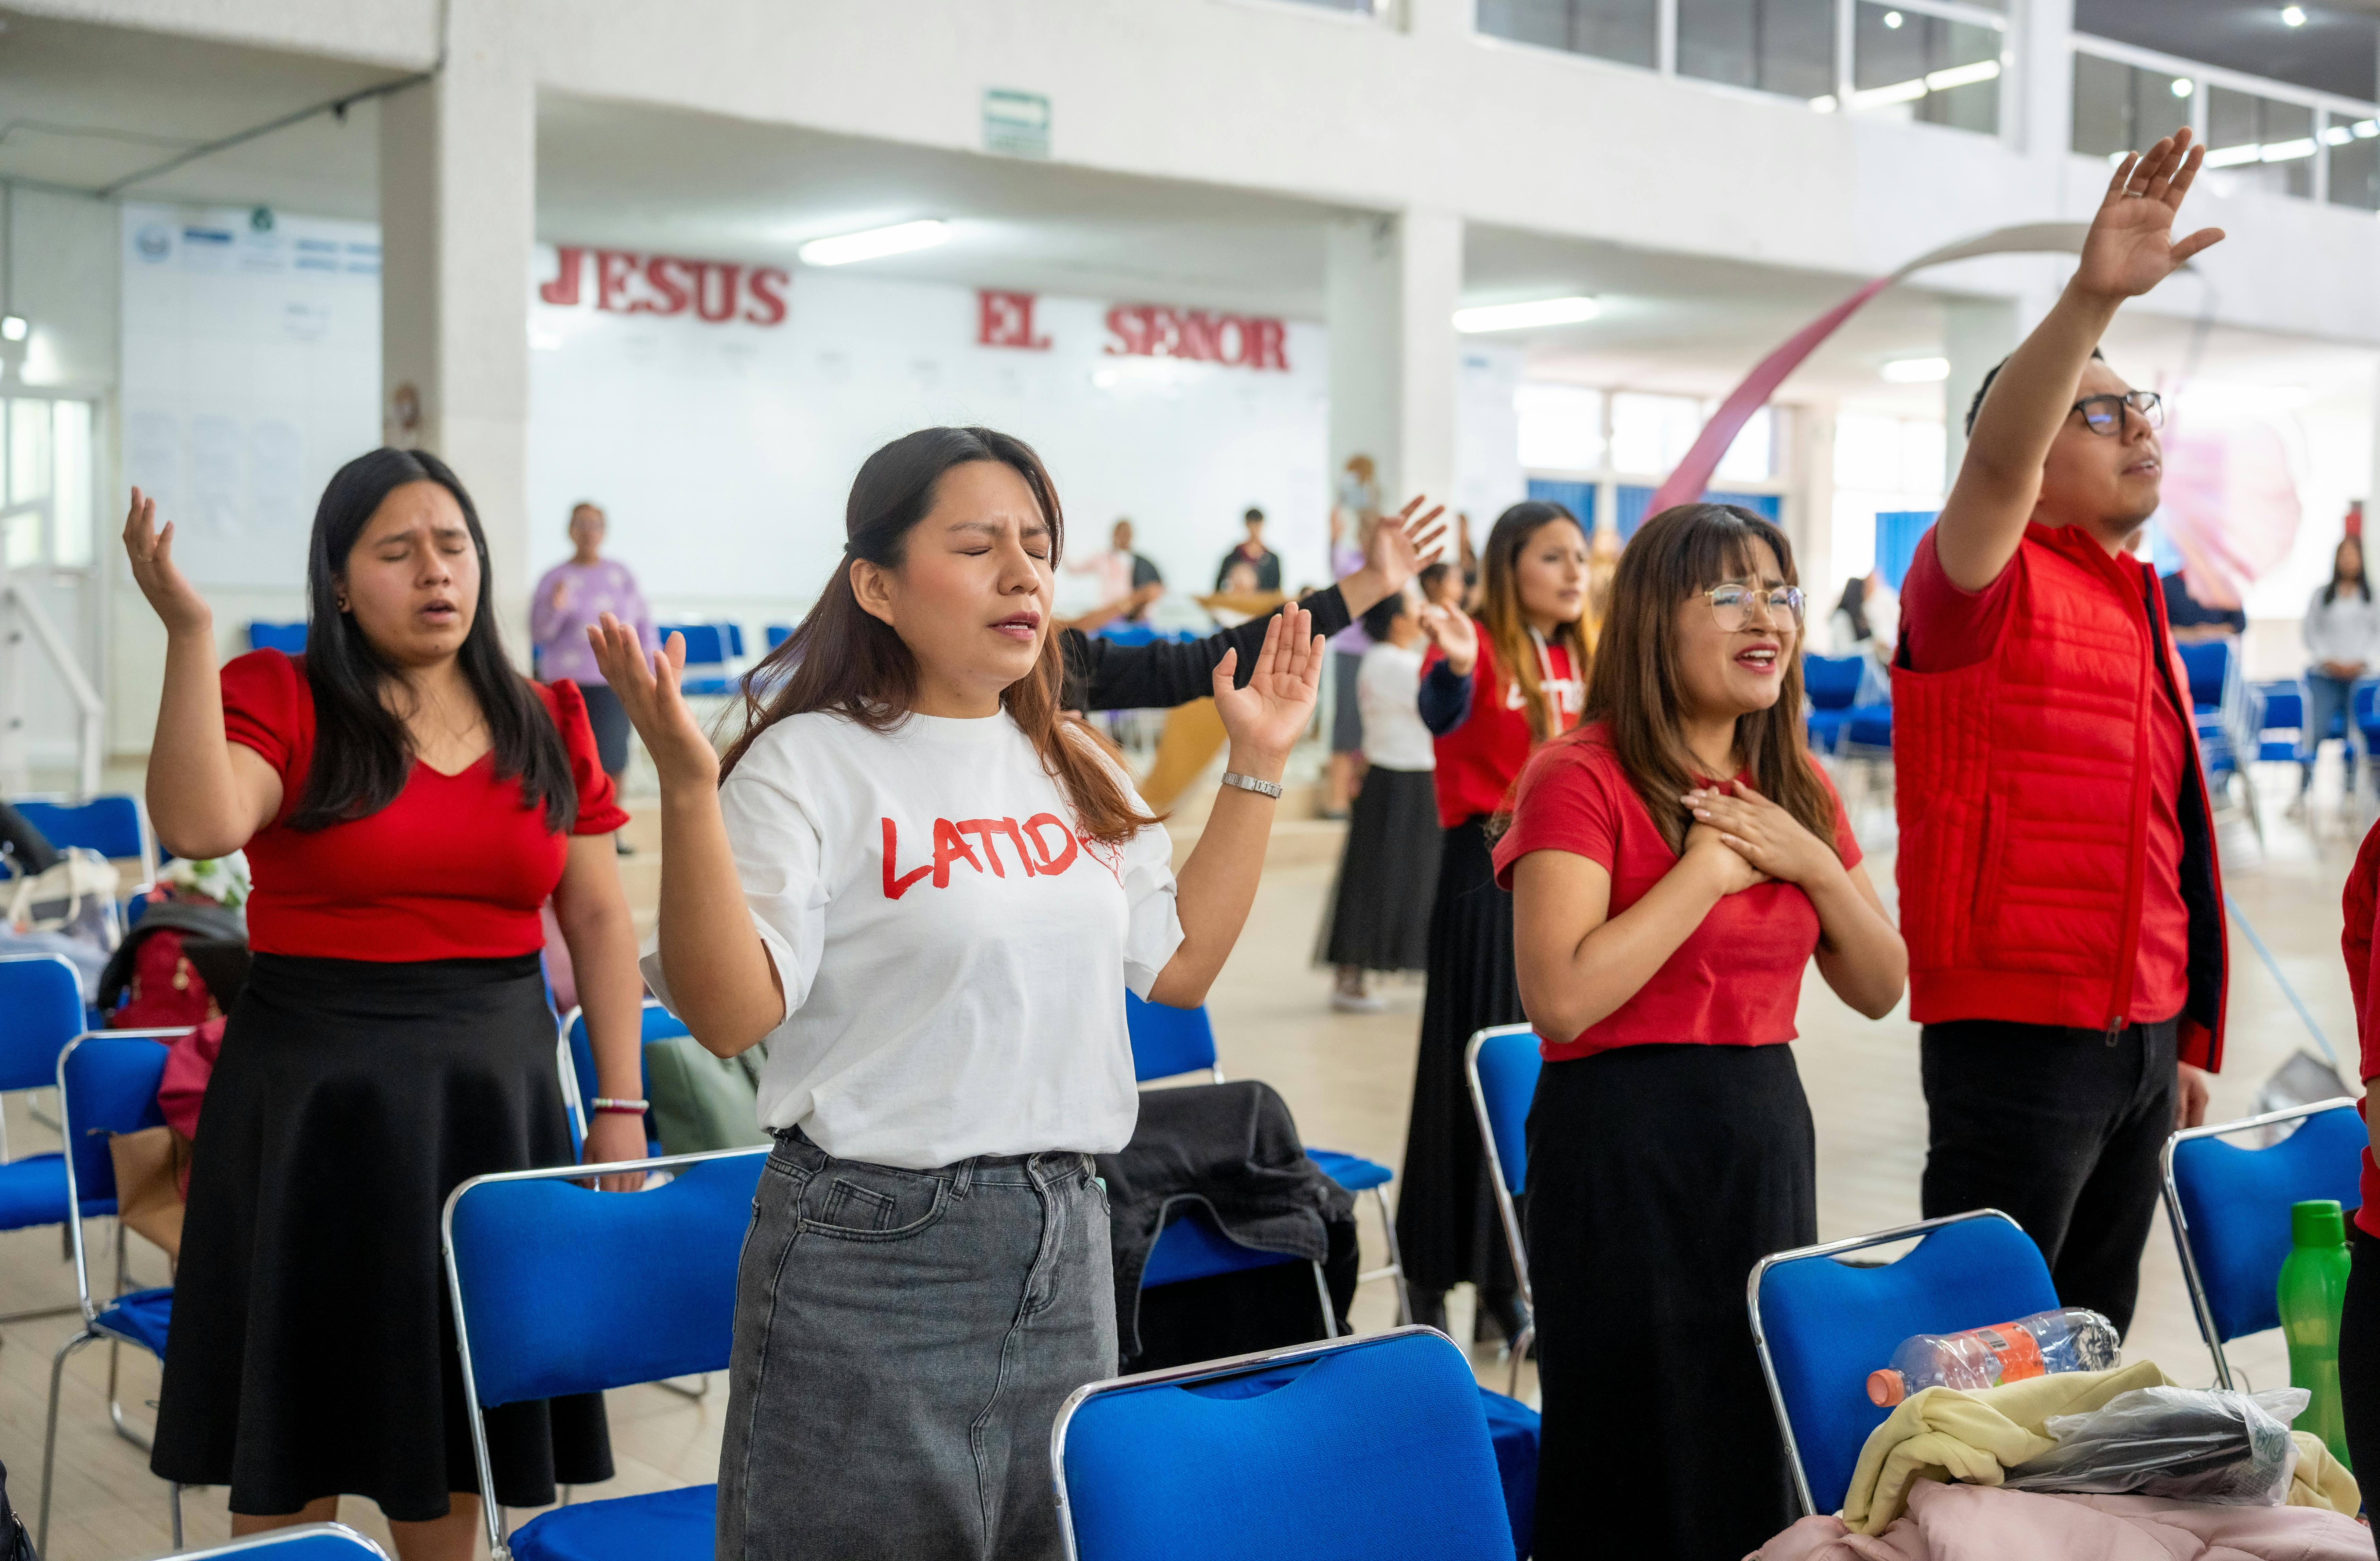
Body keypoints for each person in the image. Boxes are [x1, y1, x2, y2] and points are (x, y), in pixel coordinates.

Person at [587, 426, 1320, 1561]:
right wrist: (688, 789)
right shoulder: (808, 762)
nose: (1024, 572)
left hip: (1068, 1234)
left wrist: (1257, 761)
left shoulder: (1073, 757)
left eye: (1037, 545)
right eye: (978, 545)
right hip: (872, 1251)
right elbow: (732, 1014)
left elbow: (1176, 968)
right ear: (876, 585)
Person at [127, 451, 647, 1559]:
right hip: (312, 1101)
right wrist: (187, 637)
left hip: (487, 1102)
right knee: (290, 1424)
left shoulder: (547, 713)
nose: (433, 572)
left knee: (451, 1422)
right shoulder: (284, 694)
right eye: (397, 551)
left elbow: (600, 922)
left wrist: (622, 1099)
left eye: (452, 546)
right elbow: (202, 823)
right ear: (339, 581)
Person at [1499, 502, 1906, 1560]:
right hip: (1619, 1149)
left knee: (1748, 1431)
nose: (1762, 614)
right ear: (1651, 621)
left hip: (1761, 1137)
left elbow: (1879, 982)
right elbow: (1562, 996)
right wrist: (1710, 868)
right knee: (1633, 1445)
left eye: (1778, 591)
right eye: (1727, 593)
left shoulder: (1798, 789)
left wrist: (1809, 859)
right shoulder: (1578, 775)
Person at [1896, 130, 2226, 1338]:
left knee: (2091, 1345)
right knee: (1990, 1355)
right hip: (2018, 1042)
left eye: (2137, 400)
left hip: (2136, 1035)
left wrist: (2180, 1032)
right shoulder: (1974, 580)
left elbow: (2168, 838)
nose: (2136, 423)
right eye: (2096, 410)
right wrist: (2089, 295)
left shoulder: (2133, 596)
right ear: (2035, 457)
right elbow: (1993, 458)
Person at [1397, 498, 1591, 1341]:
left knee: (1545, 1083)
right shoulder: (1473, 642)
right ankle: (1437, 1275)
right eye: (1554, 557)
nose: (1575, 572)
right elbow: (1441, 706)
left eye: (1580, 556)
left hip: (1573, 874)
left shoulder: (1585, 653)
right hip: (1486, 876)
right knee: (1468, 1079)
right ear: (1510, 566)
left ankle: (1517, 1275)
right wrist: (1450, 666)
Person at [1315, 591, 1440, 1012]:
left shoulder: (1378, 659)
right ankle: (1353, 978)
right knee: (1386, 878)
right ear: (1397, 623)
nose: (1421, 618)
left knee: (1378, 875)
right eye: (1413, 612)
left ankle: (1358, 975)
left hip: (1392, 776)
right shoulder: (1399, 664)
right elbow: (1439, 706)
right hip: (1405, 777)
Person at [529, 501, 656, 854]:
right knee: (565, 756)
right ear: (570, 530)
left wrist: (648, 669)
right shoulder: (553, 577)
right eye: (581, 524)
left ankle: (609, 832)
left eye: (595, 524)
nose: (588, 531)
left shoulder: (621, 575)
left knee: (613, 756)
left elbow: (644, 626)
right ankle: (564, 830)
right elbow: (539, 634)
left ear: (604, 531)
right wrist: (556, 607)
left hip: (612, 680)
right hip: (565, 683)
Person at [2301, 535, 2379, 802]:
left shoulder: (2372, 596)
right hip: (2326, 676)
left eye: (2352, 554)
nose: (2348, 560)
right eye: (2343, 554)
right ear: (2336, 559)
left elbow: (2377, 636)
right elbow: (2311, 633)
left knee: (2355, 734)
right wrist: (2330, 660)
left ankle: (2350, 794)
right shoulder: (2322, 596)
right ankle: (2302, 792)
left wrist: (2361, 662)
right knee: (2315, 731)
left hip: (2361, 678)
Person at [1065, 517, 1163, 618]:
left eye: (1127, 534)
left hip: (1134, 615)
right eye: (1121, 533)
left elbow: (1157, 588)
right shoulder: (1103, 558)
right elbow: (1073, 569)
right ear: (1114, 534)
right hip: (1108, 615)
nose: (1124, 537)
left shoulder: (1140, 562)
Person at [2161, 567, 2246, 644]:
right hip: (2179, 647)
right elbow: (2159, 626)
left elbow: (2239, 624)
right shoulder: (2164, 585)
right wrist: (2190, 634)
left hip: (2217, 648)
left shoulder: (2225, 584)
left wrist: (2209, 632)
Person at [1214, 505, 1281, 592]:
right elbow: (1219, 590)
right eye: (1252, 524)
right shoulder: (1233, 558)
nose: (1254, 529)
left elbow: (1276, 592)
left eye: (1257, 524)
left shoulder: (1273, 560)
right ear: (1247, 525)